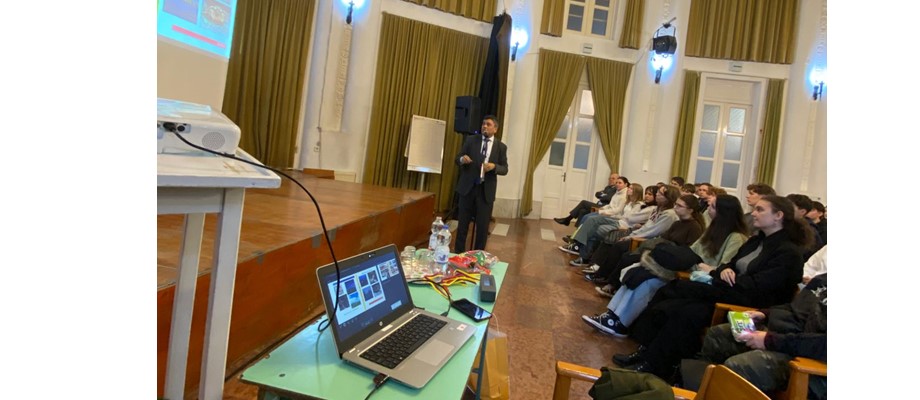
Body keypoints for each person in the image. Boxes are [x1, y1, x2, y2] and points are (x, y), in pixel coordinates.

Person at [613, 195, 813, 379]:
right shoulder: (755, 241)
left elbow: (760, 287)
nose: (753, 213)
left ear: (778, 216)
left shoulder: (788, 252)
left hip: (749, 305)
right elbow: (729, 264)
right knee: (670, 296)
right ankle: (646, 353)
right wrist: (725, 271)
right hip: (730, 291)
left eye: (760, 210)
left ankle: (656, 366)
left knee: (686, 312)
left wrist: (726, 276)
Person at [582, 195, 747, 335]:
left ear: (723, 212)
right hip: (688, 267)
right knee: (639, 271)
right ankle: (612, 313)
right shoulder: (712, 230)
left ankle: (621, 324)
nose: (708, 209)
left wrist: (699, 264)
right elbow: (692, 250)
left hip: (699, 277)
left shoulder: (735, 238)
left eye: (712, 206)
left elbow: (724, 266)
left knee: (649, 281)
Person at [683, 274, 827, 399]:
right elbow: (794, 309)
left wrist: (769, 340)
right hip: (786, 337)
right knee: (719, 335)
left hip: (812, 361)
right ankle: (699, 392)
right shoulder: (822, 280)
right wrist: (765, 313)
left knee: (741, 366)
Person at [453, 115, 508, 253]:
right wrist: (462, 159)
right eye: (483, 123)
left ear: (495, 128)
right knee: (463, 226)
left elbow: (505, 168)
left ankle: (478, 257)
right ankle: (458, 255)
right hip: (467, 189)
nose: (484, 126)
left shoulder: (500, 147)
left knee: (482, 229)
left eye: (488, 124)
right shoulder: (471, 140)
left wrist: (494, 166)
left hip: (485, 191)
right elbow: (457, 158)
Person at [554, 175, 628, 227]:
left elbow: (608, 198)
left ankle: (567, 219)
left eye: (613, 178)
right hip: (602, 206)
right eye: (610, 178)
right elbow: (597, 194)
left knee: (583, 202)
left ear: (625, 184)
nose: (611, 180)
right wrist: (603, 195)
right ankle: (576, 233)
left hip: (603, 208)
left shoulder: (617, 190)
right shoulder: (608, 187)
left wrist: (603, 196)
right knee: (582, 211)